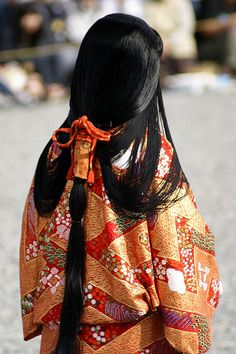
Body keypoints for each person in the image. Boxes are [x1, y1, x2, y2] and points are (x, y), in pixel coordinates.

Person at [20, 13, 222, 354]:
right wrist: (190, 328)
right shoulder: (149, 158)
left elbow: (34, 248)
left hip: (66, 334)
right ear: (141, 84)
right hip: (138, 339)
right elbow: (178, 253)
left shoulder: (57, 151)